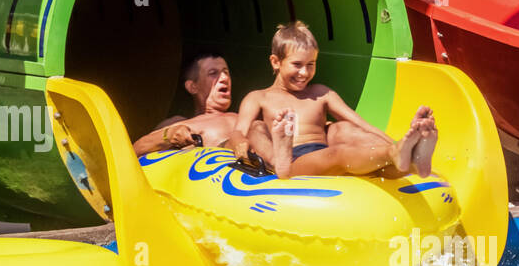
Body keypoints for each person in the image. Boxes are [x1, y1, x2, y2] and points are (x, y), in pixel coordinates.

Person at [229, 21, 437, 179]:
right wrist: (240, 144)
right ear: (276, 62)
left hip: (323, 154)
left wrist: (394, 142)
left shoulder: (320, 93)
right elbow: (239, 130)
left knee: (343, 129)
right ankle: (396, 154)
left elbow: (360, 124)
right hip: (292, 161)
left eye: (311, 64)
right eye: (297, 64)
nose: (304, 72)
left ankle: (413, 161)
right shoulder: (259, 97)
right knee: (257, 127)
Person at [132, 50, 238, 156]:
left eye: (226, 72)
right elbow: (134, 150)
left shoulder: (244, 117)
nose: (224, 78)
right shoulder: (180, 123)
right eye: (213, 73)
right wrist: (168, 135)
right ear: (193, 87)